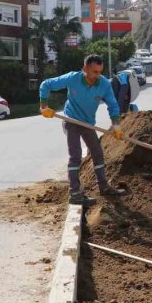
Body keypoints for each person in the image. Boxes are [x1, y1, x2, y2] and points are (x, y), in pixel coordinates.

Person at [40, 55, 127, 205]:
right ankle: (75, 194)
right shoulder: (73, 78)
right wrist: (43, 107)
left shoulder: (104, 84)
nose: (98, 75)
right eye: (94, 72)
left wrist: (116, 125)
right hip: (71, 120)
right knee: (75, 155)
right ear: (85, 69)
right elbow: (46, 84)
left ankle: (104, 187)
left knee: (97, 153)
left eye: (100, 72)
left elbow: (113, 105)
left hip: (88, 123)